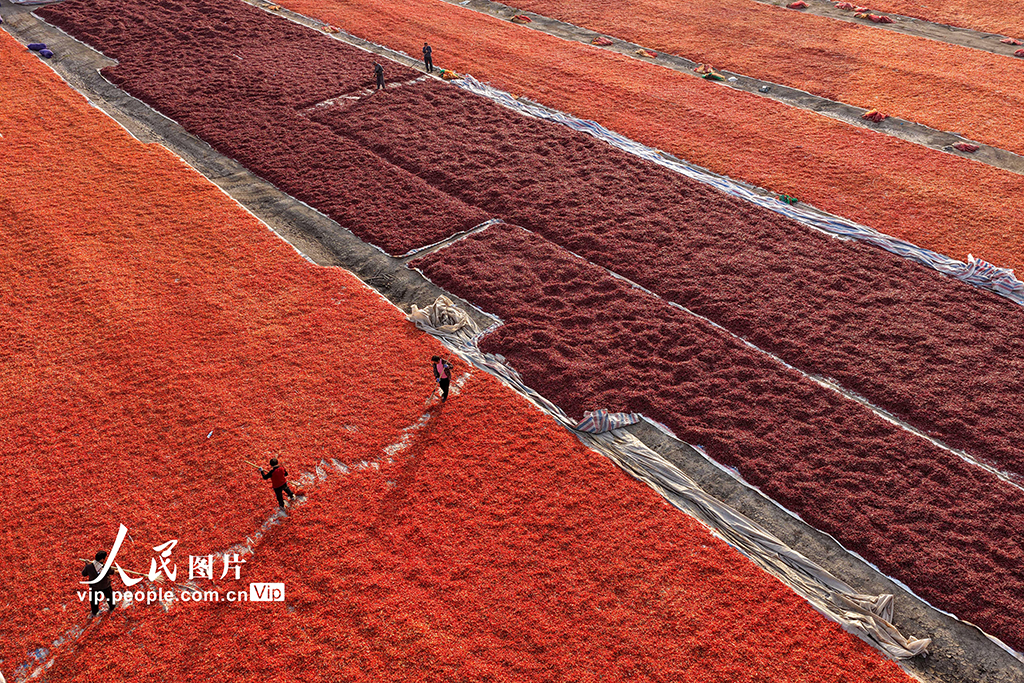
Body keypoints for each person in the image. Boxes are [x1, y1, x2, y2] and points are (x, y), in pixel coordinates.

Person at [81, 551, 115, 616]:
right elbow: (112, 572)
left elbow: (84, 574)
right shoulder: (105, 567)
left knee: (94, 600)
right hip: (105, 586)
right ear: (102, 559)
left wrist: (86, 565)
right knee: (109, 597)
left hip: (94, 586)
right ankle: (112, 606)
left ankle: (94, 612)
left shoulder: (89, 567)